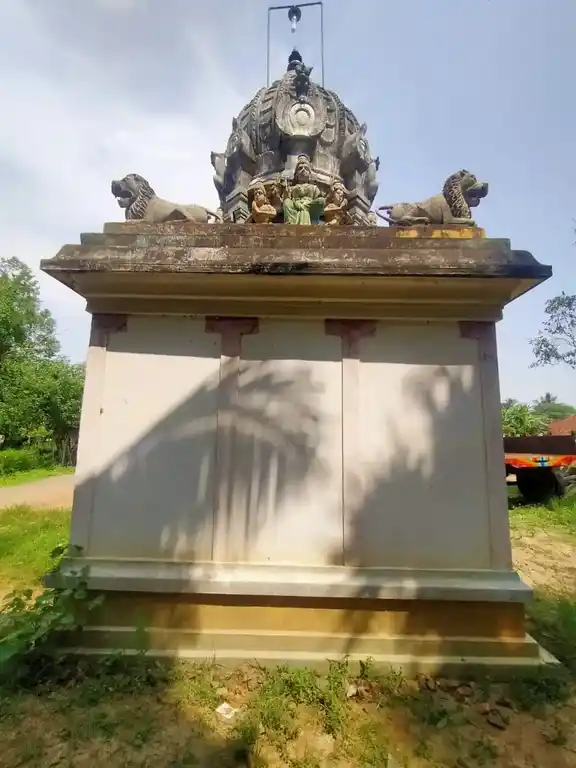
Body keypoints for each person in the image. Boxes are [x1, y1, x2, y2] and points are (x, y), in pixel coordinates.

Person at [283, 155, 325, 225]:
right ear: (296, 175)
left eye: (306, 168)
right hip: (296, 204)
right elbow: (288, 199)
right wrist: (286, 192)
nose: (303, 170)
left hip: (309, 205)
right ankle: (291, 221)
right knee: (287, 202)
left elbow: (319, 199)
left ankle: (305, 208)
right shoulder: (292, 188)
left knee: (321, 200)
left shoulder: (313, 187)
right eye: (300, 168)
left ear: (309, 174)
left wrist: (306, 204)